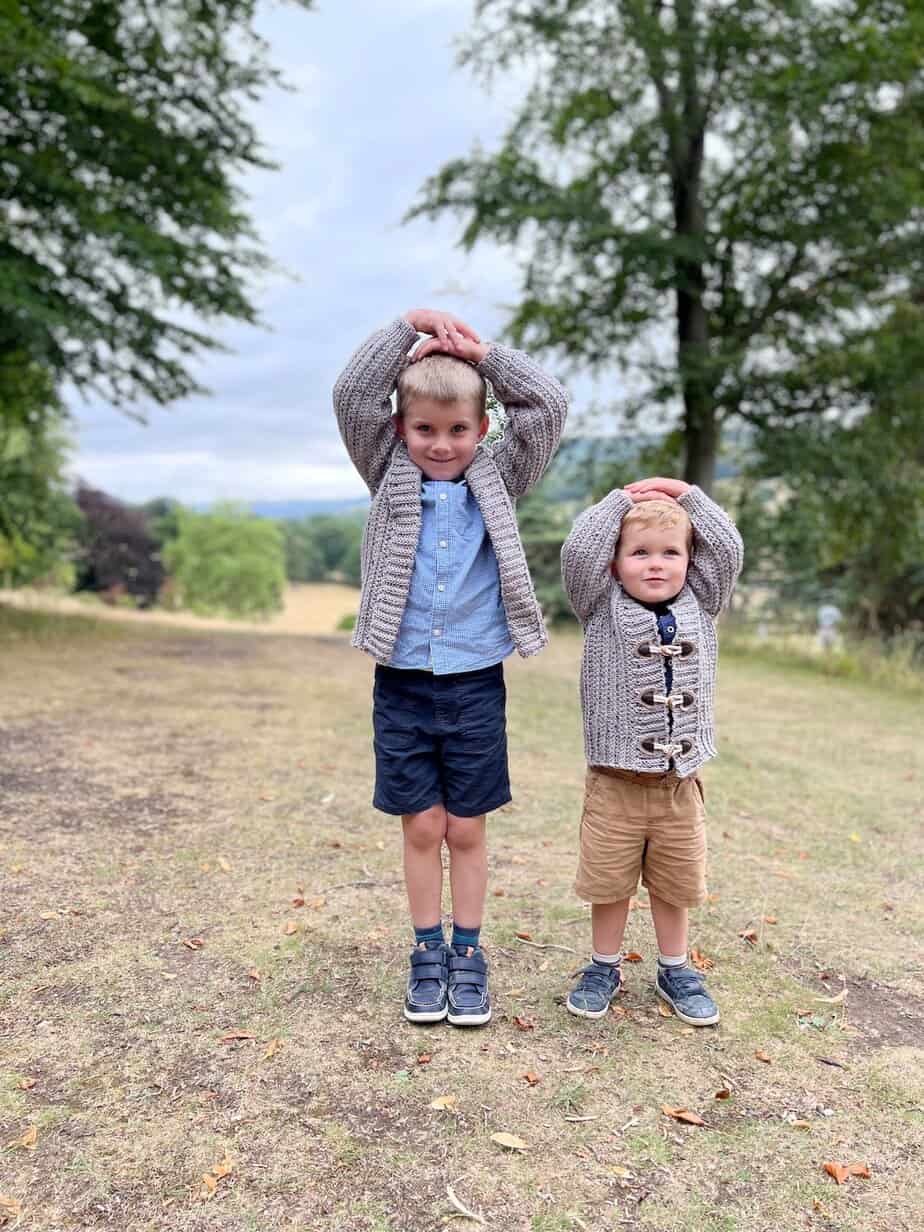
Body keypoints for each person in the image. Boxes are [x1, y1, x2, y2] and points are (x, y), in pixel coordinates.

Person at [333, 308, 567, 1026]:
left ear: (482, 430)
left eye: (457, 429)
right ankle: (426, 950)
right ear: (402, 428)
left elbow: (548, 404)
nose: (441, 444)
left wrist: (482, 354)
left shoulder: (499, 477)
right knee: (421, 826)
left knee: (466, 826)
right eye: (426, 428)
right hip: (401, 682)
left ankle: (469, 954)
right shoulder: (387, 469)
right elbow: (351, 394)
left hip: (474, 684)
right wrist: (406, 329)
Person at [560, 477, 743, 1025]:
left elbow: (728, 547)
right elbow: (578, 551)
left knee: (675, 883)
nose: (656, 564)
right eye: (639, 553)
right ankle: (603, 965)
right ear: (615, 563)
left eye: (671, 553)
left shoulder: (702, 604)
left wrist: (685, 493)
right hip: (614, 784)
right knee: (609, 882)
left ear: (691, 561)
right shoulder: (599, 605)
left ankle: (676, 967)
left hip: (678, 786)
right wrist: (621, 499)